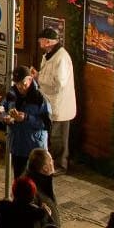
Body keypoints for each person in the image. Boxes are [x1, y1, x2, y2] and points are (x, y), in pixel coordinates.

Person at [36, 26, 76, 171]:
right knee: (53, 136)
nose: (39, 42)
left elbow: (59, 82)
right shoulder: (48, 55)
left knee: (58, 137)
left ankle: (60, 164)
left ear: (47, 42)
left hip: (60, 105)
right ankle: (52, 163)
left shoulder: (61, 57)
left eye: (41, 40)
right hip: (50, 102)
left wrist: (39, 77)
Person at [4, 66, 52, 181]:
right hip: (17, 146)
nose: (20, 86)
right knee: (19, 181)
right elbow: (2, 109)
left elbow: (46, 124)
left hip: (34, 149)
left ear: (30, 79)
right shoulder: (11, 94)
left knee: (36, 183)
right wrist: (5, 117)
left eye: (22, 83)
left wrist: (26, 118)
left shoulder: (40, 98)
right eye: (17, 83)